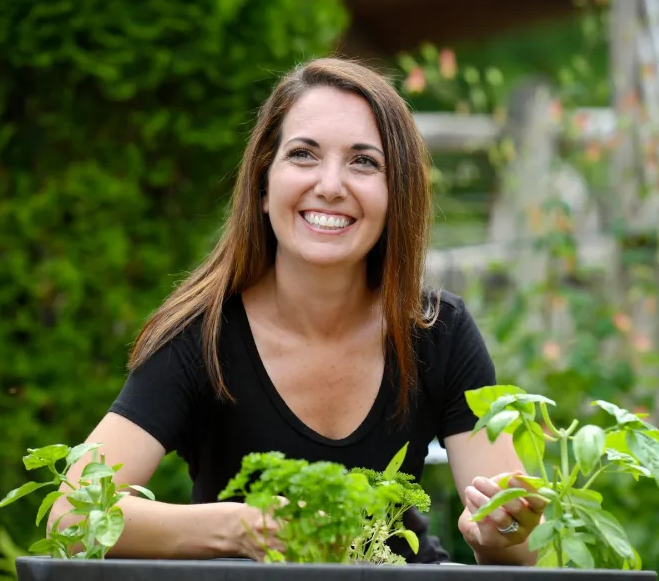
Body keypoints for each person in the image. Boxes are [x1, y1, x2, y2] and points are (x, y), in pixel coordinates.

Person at [50, 57, 545, 565]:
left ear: (396, 195)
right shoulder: (202, 336)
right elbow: (73, 517)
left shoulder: (438, 331)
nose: (330, 185)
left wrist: (500, 533)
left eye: (363, 162)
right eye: (303, 155)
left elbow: (522, 549)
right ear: (263, 186)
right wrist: (238, 528)